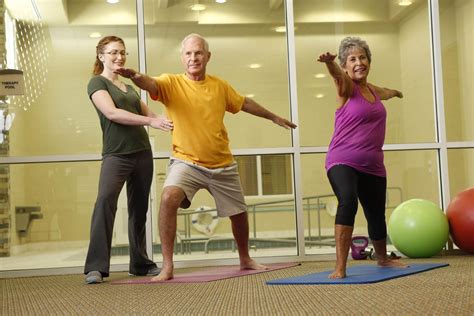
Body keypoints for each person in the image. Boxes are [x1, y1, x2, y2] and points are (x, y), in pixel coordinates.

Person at [115, 33, 297, 281]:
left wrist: (273, 116)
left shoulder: (219, 86)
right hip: (186, 161)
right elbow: (151, 85)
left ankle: (245, 258)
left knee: (239, 212)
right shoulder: (172, 83)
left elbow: (244, 103)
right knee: (169, 197)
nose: (193, 58)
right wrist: (136, 77)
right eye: (188, 53)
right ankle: (167, 266)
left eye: (198, 52)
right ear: (182, 58)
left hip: (222, 163)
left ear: (207, 56)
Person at [84, 36, 174, 284]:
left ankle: (141, 263)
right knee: (105, 203)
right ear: (101, 56)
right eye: (113, 52)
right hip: (116, 154)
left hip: (142, 153)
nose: (119, 57)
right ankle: (96, 267)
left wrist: (173, 121)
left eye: (123, 52)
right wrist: (151, 122)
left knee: (139, 210)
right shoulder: (97, 83)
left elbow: (155, 116)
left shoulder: (130, 89)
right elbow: (112, 113)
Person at [317, 36, 408, 279]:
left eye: (362, 57)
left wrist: (397, 92)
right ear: (345, 65)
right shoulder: (346, 87)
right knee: (348, 200)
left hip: (373, 165)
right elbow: (337, 77)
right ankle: (340, 267)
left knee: (376, 211)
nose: (359, 62)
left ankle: (383, 258)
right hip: (342, 160)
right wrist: (330, 63)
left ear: (369, 61)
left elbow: (385, 93)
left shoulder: (373, 90)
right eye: (352, 59)